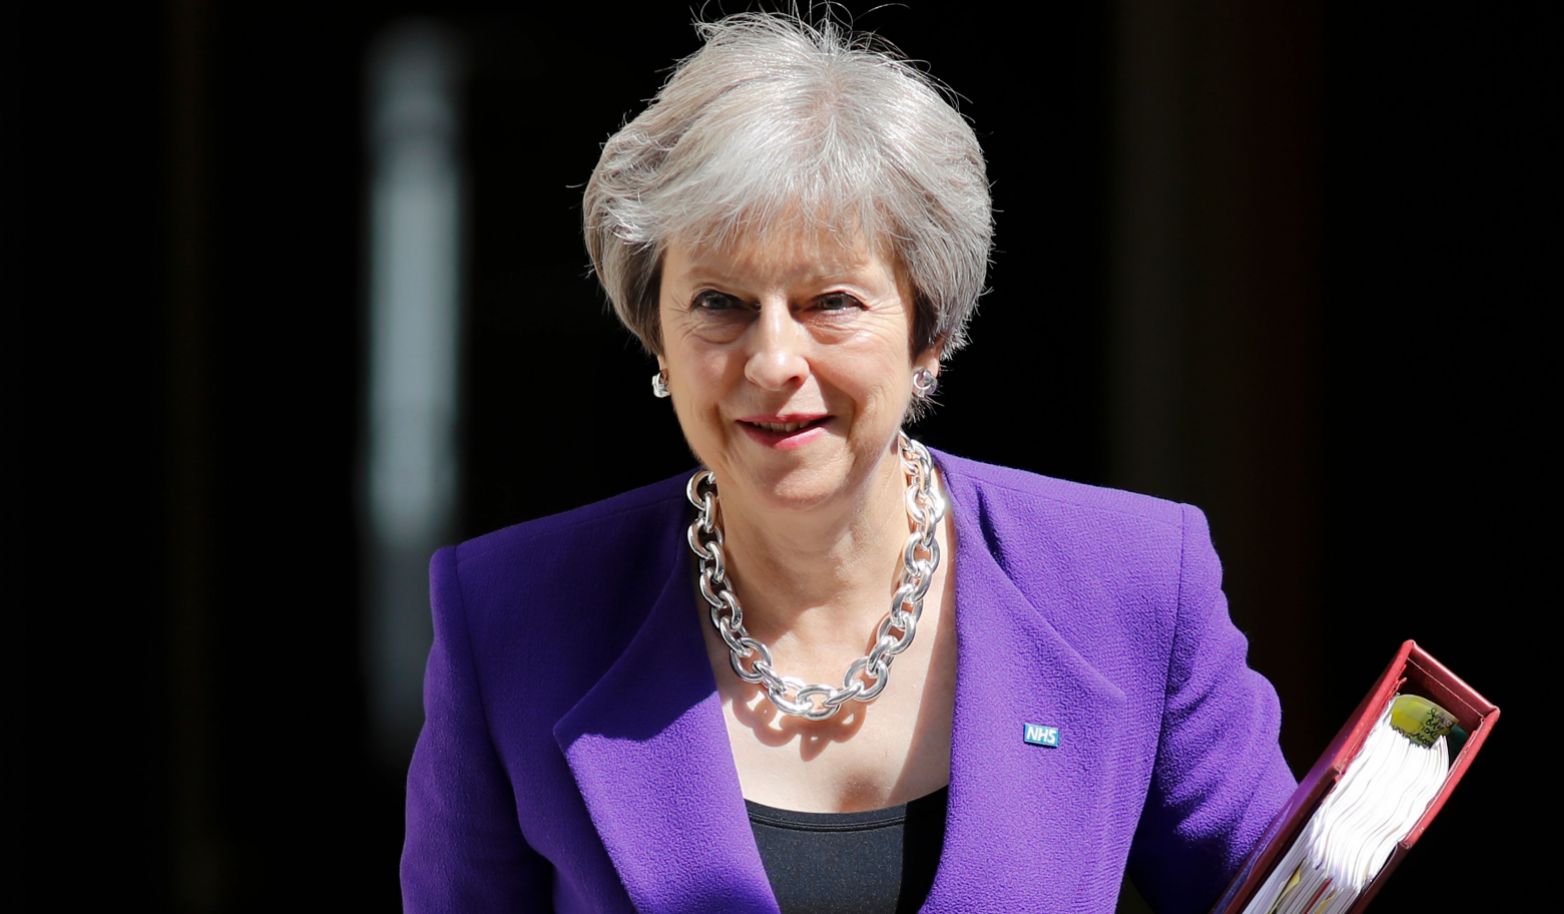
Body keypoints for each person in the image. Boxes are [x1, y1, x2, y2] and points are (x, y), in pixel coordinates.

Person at [401, 12, 1296, 914]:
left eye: (830, 300)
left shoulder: (1131, 582)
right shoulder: (511, 618)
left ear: (928, 332)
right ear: (656, 337)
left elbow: (1284, 894)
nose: (773, 361)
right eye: (720, 301)